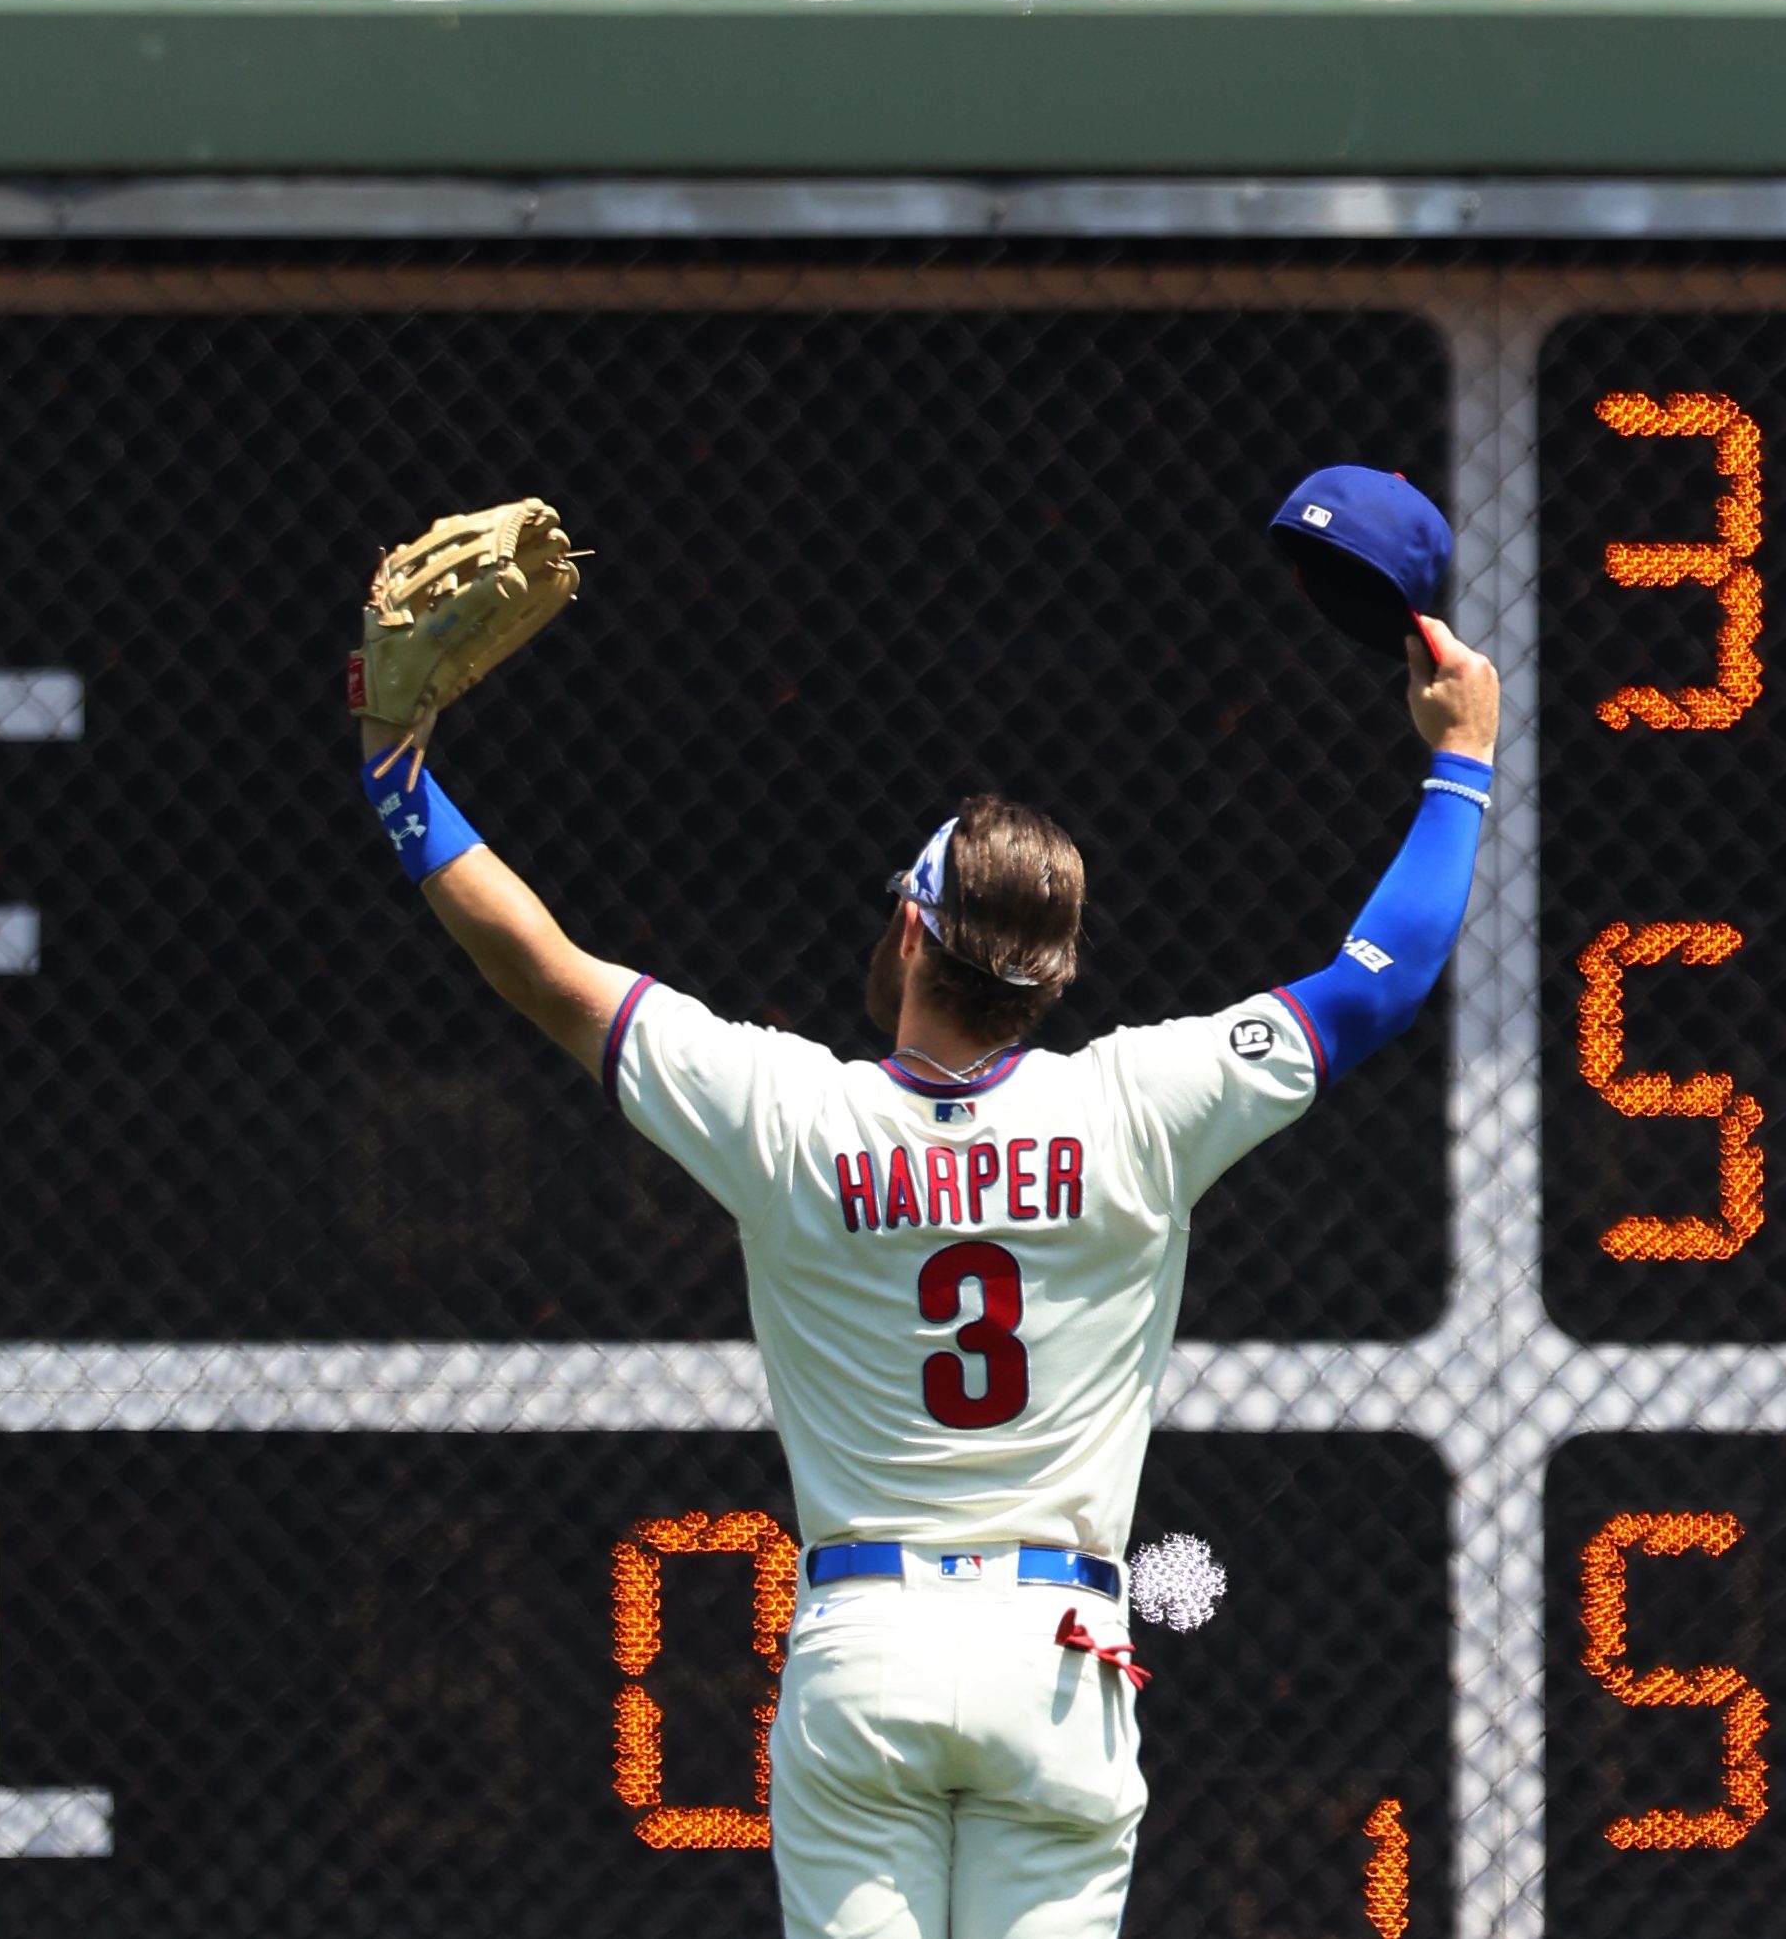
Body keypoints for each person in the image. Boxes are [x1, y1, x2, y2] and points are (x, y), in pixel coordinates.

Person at [354, 551, 1500, 1939]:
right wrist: (1461, 763)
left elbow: (541, 968)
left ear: (908, 925)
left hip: (868, 1644)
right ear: (1051, 974)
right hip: (1058, 1651)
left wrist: (396, 769)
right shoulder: (1138, 1102)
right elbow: (1378, 982)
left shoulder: (787, 1109)